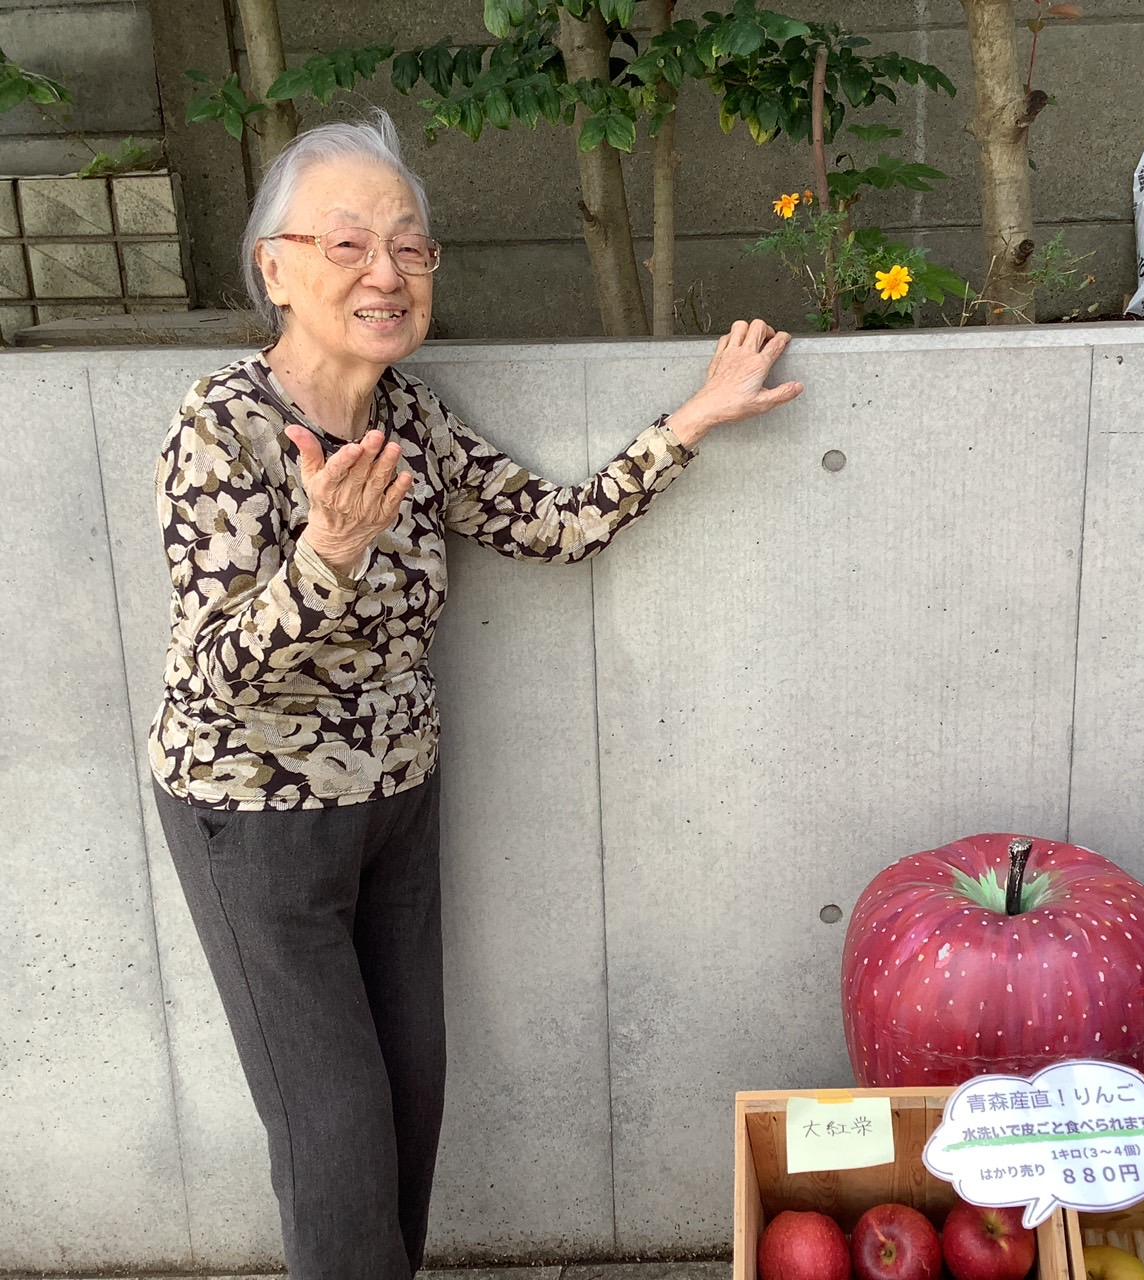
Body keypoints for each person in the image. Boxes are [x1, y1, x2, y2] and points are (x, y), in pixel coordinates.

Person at [149, 109, 803, 1280]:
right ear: (275, 268)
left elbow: (549, 525)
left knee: (409, 1097)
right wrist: (327, 555)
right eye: (349, 244)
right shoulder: (221, 426)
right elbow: (220, 673)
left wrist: (690, 420)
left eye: (410, 245)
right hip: (253, 814)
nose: (386, 272)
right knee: (335, 1128)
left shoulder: (407, 414)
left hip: (395, 798)